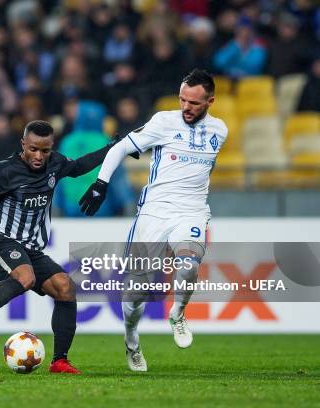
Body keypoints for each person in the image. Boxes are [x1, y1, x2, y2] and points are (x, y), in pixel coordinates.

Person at [0, 120, 133, 374]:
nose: (39, 156)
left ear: (51, 147)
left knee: (65, 287)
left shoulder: (55, 163)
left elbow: (79, 167)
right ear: (23, 144)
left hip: (31, 248)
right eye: (33, 149)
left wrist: (112, 148)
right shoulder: (4, 171)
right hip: (0, 240)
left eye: (44, 151)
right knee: (25, 277)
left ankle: (60, 361)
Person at [78, 69, 228, 372]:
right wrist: (100, 184)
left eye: (195, 103)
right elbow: (121, 147)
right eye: (183, 100)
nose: (186, 107)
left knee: (189, 266)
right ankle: (131, 341)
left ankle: (179, 313)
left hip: (192, 211)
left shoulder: (220, 130)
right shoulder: (164, 121)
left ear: (211, 101)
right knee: (135, 295)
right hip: (153, 213)